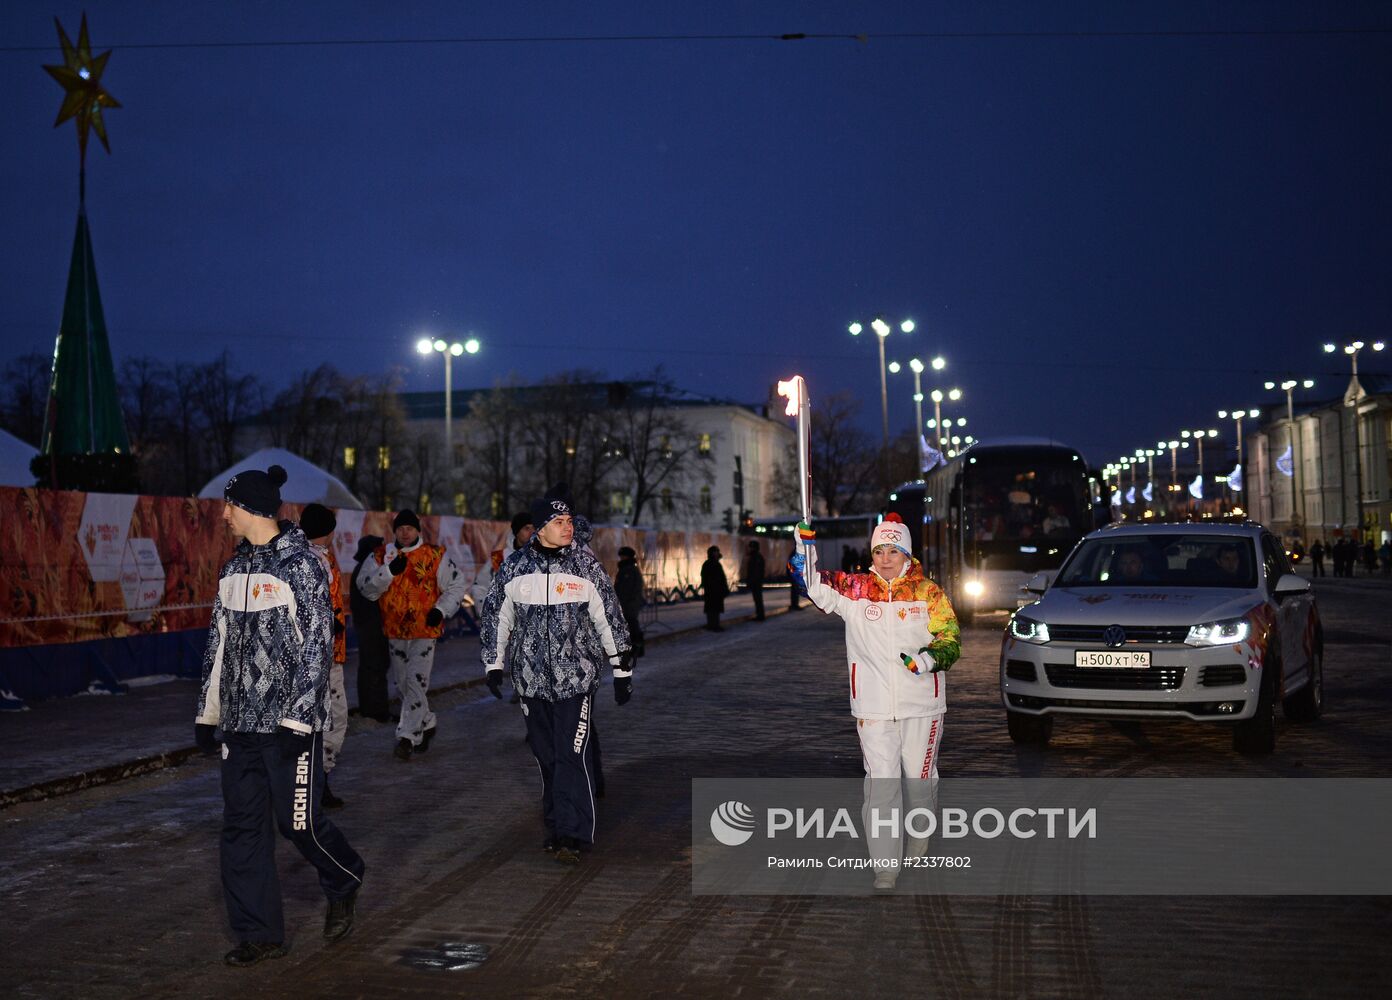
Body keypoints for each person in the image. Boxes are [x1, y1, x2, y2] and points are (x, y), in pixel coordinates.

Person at [194, 464, 364, 966]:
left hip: (288, 729)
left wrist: (297, 718)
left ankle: (344, 875)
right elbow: (217, 647)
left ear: (250, 508)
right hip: (240, 729)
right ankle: (260, 933)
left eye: (229, 506)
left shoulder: (301, 567)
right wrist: (208, 713)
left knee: (300, 826)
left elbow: (316, 647)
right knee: (242, 829)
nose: (223, 515)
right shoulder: (232, 571)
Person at [793, 513, 960, 891]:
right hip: (872, 706)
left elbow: (950, 639)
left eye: (893, 550)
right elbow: (812, 583)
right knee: (881, 784)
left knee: (919, 781)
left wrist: (927, 660)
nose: (885, 558)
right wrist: (805, 544)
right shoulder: (854, 590)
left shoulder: (928, 594)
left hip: (923, 704)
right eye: (879, 550)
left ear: (907, 554)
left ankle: (920, 833)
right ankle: (885, 865)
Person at [480, 485, 633, 865]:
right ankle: (555, 826)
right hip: (531, 683)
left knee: (571, 755)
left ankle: (573, 833)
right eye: (559, 521)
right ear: (539, 527)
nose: (568, 527)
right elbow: (496, 616)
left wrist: (621, 670)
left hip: (575, 682)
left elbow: (609, 618)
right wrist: (493, 663)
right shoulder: (515, 567)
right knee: (546, 757)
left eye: (569, 521)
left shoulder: (584, 566)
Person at [357, 509, 468, 760]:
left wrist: (440, 610)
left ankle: (407, 737)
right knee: (403, 684)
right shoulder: (381, 556)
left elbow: (456, 585)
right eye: (400, 528)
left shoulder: (434, 555)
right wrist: (388, 572)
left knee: (416, 682)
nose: (405, 533)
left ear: (418, 530)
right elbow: (365, 588)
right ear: (394, 531)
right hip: (395, 631)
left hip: (424, 630)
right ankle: (426, 722)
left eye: (410, 528)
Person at [300, 503, 348, 809]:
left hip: (328, 652)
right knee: (329, 719)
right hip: (318, 655)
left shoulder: (321, 558)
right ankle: (315, 782)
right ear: (328, 531)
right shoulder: (309, 562)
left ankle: (317, 780)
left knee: (330, 718)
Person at [471, 511, 536, 704]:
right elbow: (480, 585)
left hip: (535, 619)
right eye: (526, 528)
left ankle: (528, 692)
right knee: (516, 657)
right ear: (516, 532)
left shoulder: (543, 556)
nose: (531, 532)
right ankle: (521, 686)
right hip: (507, 618)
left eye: (534, 528)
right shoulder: (499, 559)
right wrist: (485, 610)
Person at [349, 534, 391, 722]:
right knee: (374, 665)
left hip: (367, 623)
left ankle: (374, 707)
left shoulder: (361, 569)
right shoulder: (366, 571)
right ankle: (375, 710)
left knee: (374, 665)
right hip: (370, 624)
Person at [614, 546, 646, 660]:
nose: (622, 558)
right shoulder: (623, 570)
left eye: (623, 556)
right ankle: (631, 648)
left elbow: (636, 587)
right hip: (623, 603)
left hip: (630, 604)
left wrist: (632, 602)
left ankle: (637, 648)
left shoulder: (632, 570)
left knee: (633, 626)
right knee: (627, 627)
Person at [701, 545, 729, 631]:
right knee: (712, 608)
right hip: (712, 590)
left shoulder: (715, 563)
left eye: (717, 551)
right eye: (715, 551)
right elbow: (706, 577)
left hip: (716, 590)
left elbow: (721, 578)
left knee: (715, 608)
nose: (717, 553)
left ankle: (714, 625)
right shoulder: (709, 564)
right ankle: (713, 625)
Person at [743, 540, 766, 622]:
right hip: (757, 581)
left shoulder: (756, 557)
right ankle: (760, 614)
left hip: (756, 582)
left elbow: (755, 571)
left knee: (758, 599)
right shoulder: (756, 557)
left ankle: (760, 615)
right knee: (758, 599)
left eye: (751, 547)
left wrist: (751, 581)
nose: (749, 549)